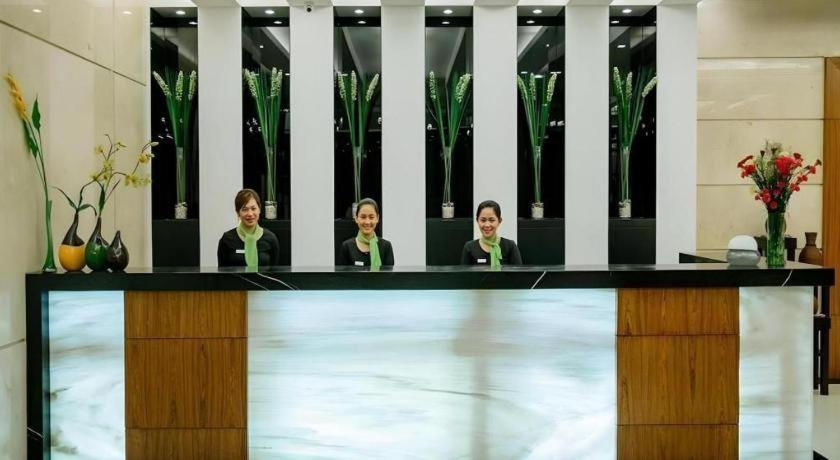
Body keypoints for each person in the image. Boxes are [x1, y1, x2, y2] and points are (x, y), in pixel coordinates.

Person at [217, 189, 280, 268]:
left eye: (253, 208)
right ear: (238, 213)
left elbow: (276, 273)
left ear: (259, 210)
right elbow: (222, 275)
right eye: (244, 209)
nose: (250, 214)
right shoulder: (227, 239)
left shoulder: (271, 238)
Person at [460, 200, 523, 267]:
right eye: (483, 220)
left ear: (499, 221)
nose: (487, 225)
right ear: (477, 220)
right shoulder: (469, 247)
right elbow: (464, 276)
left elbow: (518, 275)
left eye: (492, 220)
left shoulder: (510, 246)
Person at [337, 198, 394, 268]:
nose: (367, 222)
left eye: (371, 217)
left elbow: (389, 277)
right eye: (363, 217)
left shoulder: (386, 246)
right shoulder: (347, 247)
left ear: (377, 218)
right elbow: (341, 277)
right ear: (356, 218)